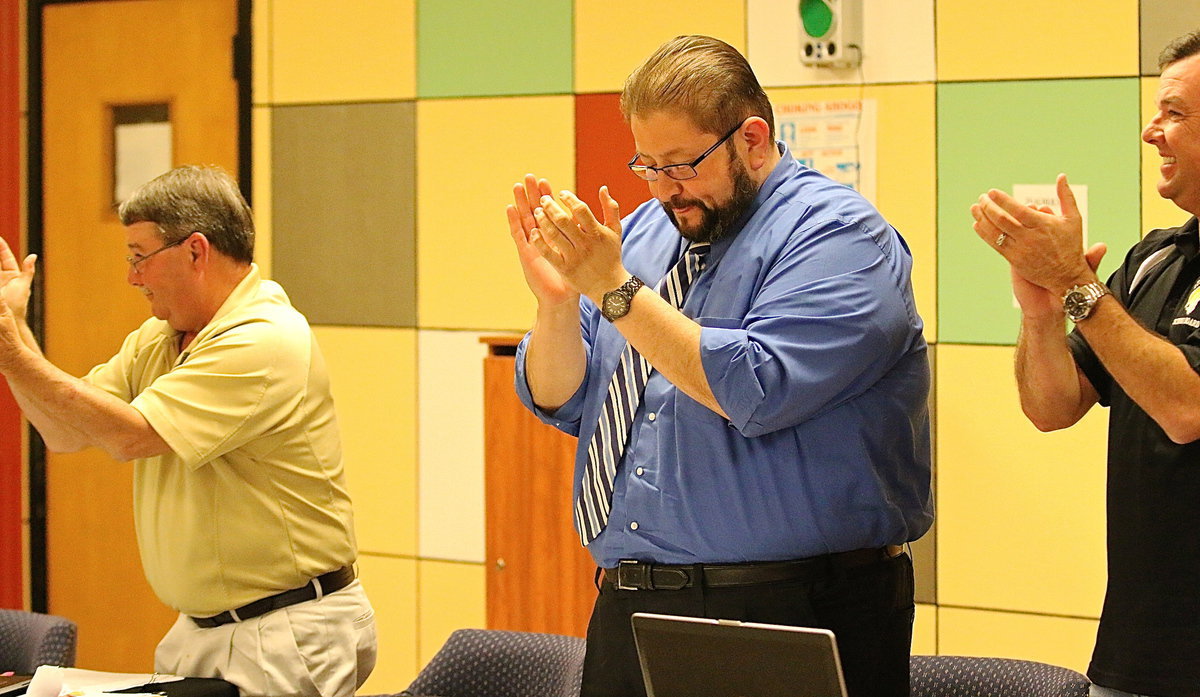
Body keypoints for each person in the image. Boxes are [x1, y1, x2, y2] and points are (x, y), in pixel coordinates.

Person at [506, 35, 932, 697]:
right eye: (647, 166)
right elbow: (562, 397)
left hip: (789, 604)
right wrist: (560, 304)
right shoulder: (645, 233)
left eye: (682, 165)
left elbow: (754, 389)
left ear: (753, 139)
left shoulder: (841, 237)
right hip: (632, 599)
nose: (665, 190)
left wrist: (615, 291)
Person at [0, 166, 375, 697]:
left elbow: (130, 436)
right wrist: (14, 334)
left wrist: (12, 354)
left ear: (195, 251)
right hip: (203, 629)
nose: (132, 277)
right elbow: (64, 430)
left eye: (138, 257)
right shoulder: (163, 336)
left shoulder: (265, 339)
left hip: (287, 627)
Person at [970, 30, 1200, 697]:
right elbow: (1051, 405)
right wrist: (1042, 308)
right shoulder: (1155, 258)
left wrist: (1074, 279)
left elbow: (1186, 410)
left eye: (1175, 113)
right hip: (1137, 652)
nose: (1152, 132)